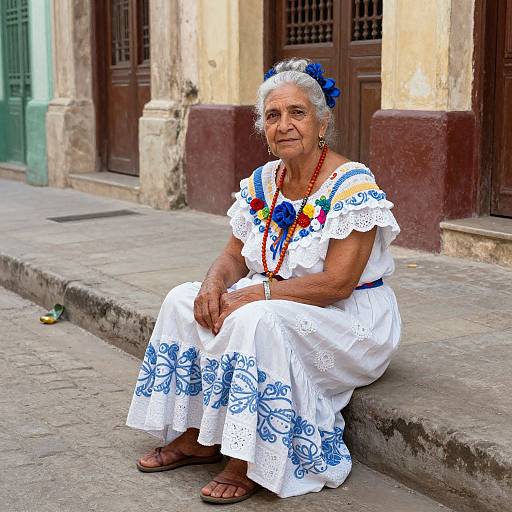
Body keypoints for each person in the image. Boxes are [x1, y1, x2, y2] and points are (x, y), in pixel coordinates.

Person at [126, 58, 401, 504]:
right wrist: (214, 283)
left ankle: (249, 457)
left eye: (297, 113)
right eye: (273, 115)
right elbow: (234, 255)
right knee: (183, 300)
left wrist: (256, 293)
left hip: (348, 319)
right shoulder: (262, 181)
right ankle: (200, 435)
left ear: (321, 121)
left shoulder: (352, 185)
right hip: (275, 300)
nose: (285, 125)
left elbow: (337, 285)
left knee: (257, 319)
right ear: (263, 127)